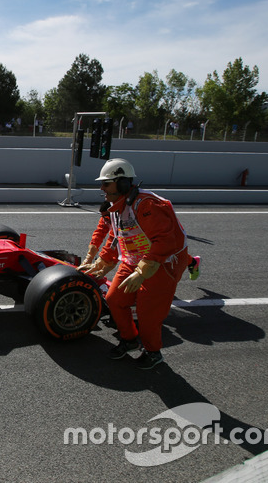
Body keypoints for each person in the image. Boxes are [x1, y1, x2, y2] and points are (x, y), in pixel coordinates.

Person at [82, 158, 199, 370]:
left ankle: (153, 352)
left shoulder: (146, 205)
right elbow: (115, 237)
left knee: (148, 313)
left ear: (123, 184)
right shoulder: (116, 207)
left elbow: (165, 241)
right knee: (115, 299)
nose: (101, 188)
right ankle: (129, 340)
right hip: (135, 260)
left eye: (106, 183)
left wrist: (142, 272)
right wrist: (101, 262)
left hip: (163, 263)